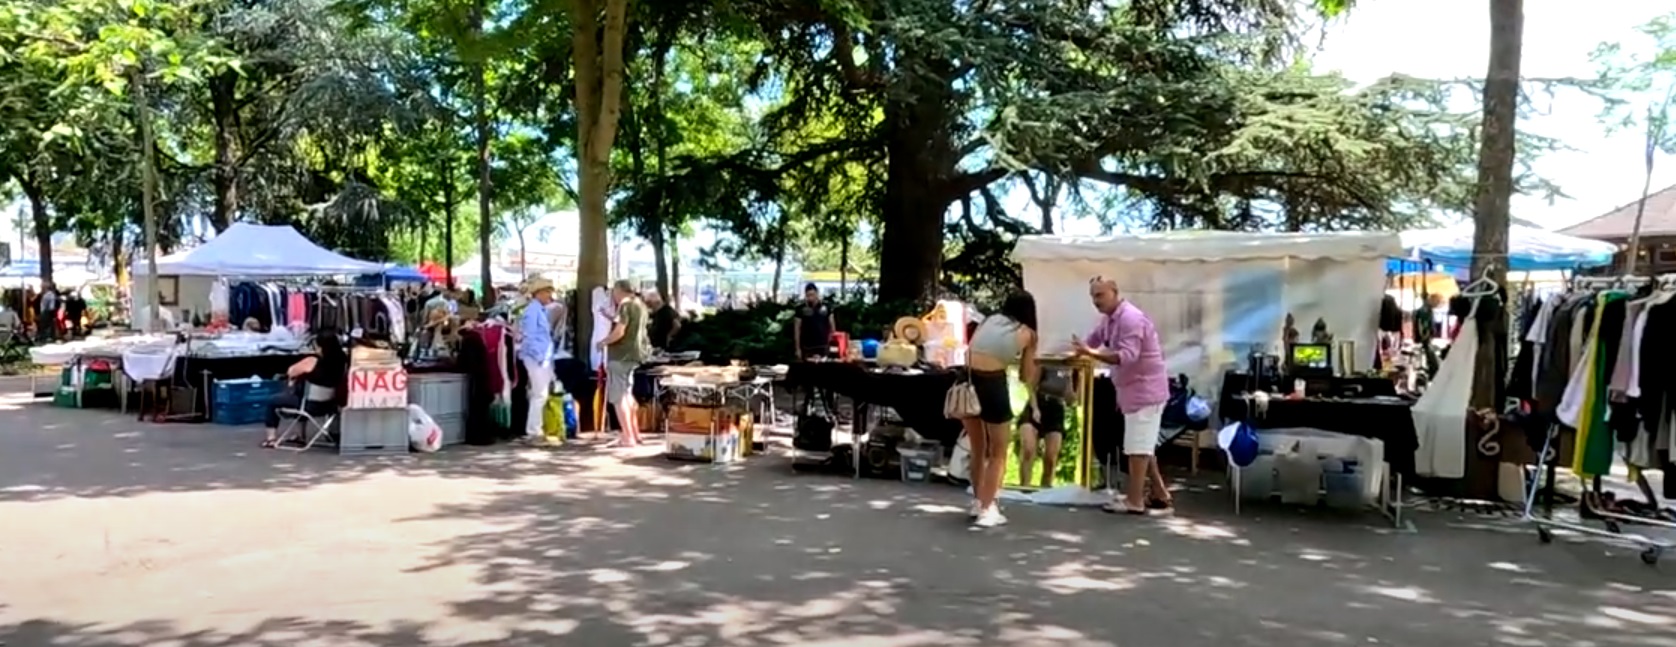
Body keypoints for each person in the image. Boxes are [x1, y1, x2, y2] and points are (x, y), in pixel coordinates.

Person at [1073, 277, 1173, 515]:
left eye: (1100, 295)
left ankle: (1135, 501)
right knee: (1143, 445)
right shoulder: (1109, 319)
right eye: (1093, 296)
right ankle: (1159, 493)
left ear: (1114, 292)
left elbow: (1126, 356)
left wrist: (1089, 353)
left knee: (1136, 449)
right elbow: (1093, 339)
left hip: (1145, 392)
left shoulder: (1130, 318)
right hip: (1132, 392)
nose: (1095, 301)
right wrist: (1077, 351)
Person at [961, 291, 1040, 528]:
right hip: (992, 383)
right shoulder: (1028, 333)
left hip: (965, 380)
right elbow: (1026, 375)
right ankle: (988, 508)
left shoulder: (989, 320)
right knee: (998, 452)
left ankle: (978, 501)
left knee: (977, 447)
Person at [261, 328, 348, 448]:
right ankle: (300, 435)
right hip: (329, 404)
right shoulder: (342, 361)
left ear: (320, 347)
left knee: (272, 401)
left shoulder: (313, 361)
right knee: (301, 397)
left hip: (309, 405)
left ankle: (271, 438)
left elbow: (291, 371)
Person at [598, 279, 651, 447]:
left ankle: (627, 437)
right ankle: (634, 433)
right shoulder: (640, 305)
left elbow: (620, 331)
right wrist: (611, 317)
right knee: (628, 394)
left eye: (614, 291)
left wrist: (603, 342)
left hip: (620, 355)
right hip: (635, 354)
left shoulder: (625, 305)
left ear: (619, 290)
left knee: (618, 397)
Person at [517, 278, 558, 442]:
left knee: (540, 394)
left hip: (541, 357)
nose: (549, 294)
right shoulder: (533, 311)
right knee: (540, 394)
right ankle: (534, 430)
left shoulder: (538, 310)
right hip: (537, 357)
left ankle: (535, 428)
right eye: (547, 291)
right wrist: (540, 357)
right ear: (539, 293)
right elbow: (530, 335)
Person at [1018, 394, 1066, 488]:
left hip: (1056, 409)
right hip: (1036, 404)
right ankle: (1024, 486)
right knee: (1028, 449)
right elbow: (1030, 385)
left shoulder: (1071, 379)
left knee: (1051, 458)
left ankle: (1045, 488)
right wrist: (1035, 408)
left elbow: (1073, 399)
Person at [792, 283, 836, 360]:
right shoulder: (800, 309)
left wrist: (833, 345)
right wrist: (797, 349)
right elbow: (797, 329)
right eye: (808, 295)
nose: (810, 297)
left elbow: (832, 327)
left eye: (812, 294)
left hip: (824, 345)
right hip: (807, 346)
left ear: (817, 293)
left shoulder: (826, 307)